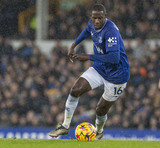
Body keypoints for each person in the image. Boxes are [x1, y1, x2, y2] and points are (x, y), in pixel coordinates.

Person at [49, 4, 130, 140]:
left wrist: (88, 56)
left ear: (105, 17)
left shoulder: (111, 32)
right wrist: (74, 45)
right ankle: (65, 126)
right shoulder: (92, 24)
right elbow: (87, 31)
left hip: (117, 76)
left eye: (100, 18)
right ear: (91, 17)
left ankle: (99, 131)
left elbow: (114, 58)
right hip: (99, 68)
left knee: (100, 109)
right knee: (75, 90)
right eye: (94, 18)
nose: (97, 21)